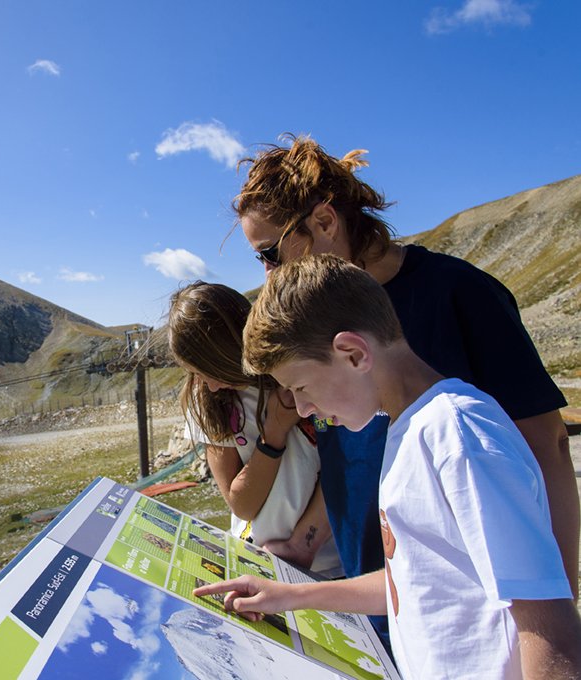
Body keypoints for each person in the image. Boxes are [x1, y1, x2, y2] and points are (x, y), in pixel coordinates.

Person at [230, 134, 579, 643]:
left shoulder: (460, 294)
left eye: (270, 252)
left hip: (473, 620)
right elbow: (348, 453)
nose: (267, 274)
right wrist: (306, 543)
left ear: (325, 222)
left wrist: (553, 616)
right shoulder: (312, 327)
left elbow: (546, 445)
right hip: (378, 593)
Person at [195, 254, 580, 680]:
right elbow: (412, 583)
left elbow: (550, 628)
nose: (302, 407)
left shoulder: (457, 435)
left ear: (353, 354)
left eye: (300, 387)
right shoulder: (404, 429)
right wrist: (290, 595)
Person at [166, 282, 341, 577]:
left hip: (332, 564)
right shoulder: (209, 400)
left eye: (209, 370)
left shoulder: (296, 375)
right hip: (258, 561)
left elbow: (343, 465)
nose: (208, 384)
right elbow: (241, 505)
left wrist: (304, 544)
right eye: (195, 373)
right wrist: (273, 434)